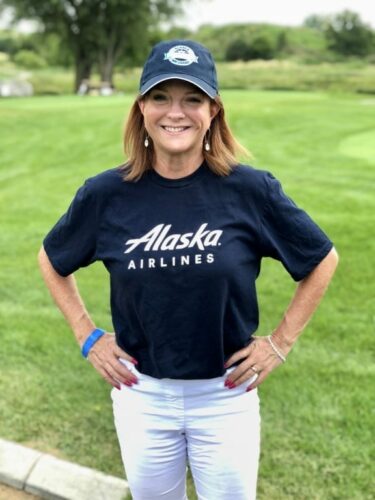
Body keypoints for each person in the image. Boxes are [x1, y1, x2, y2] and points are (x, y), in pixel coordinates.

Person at [38, 39, 339, 500]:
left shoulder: (249, 190)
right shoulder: (107, 194)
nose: (174, 112)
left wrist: (279, 344)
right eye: (160, 97)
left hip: (225, 396)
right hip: (142, 394)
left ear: (213, 110)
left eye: (192, 99)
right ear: (141, 108)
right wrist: (88, 336)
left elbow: (320, 259)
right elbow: (52, 259)